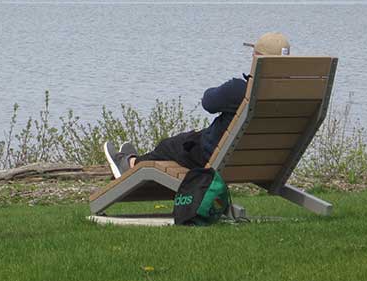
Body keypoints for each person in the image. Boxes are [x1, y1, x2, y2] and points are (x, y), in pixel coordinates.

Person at [104, 33, 291, 178]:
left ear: (257, 58)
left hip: (216, 156)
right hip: (262, 162)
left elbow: (208, 102)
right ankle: (135, 161)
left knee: (169, 146)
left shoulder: (239, 90)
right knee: (185, 140)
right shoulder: (292, 95)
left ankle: (130, 165)